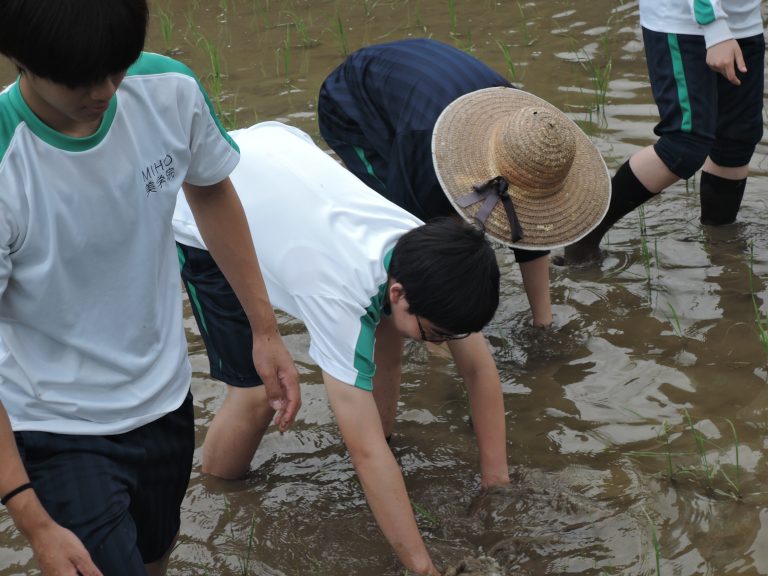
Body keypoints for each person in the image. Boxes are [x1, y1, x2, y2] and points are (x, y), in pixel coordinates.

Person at [173, 96, 609, 573]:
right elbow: (363, 453)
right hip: (206, 213)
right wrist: (423, 567)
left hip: (279, 155)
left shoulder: (425, 252)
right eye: (437, 334)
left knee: (389, 336)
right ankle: (222, 489)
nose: (442, 344)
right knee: (256, 394)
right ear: (399, 291)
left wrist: (495, 483)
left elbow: (480, 369)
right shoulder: (340, 301)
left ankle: (387, 432)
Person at [0, 2, 299, 575]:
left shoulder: (167, 88)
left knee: (156, 555)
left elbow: (209, 187)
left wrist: (265, 330)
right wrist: (32, 518)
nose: (106, 91)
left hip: (165, 400)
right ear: (20, 58)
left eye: (118, 68)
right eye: (82, 79)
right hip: (56, 423)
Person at [317, 38, 558, 328]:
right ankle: (421, 322)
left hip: (426, 89)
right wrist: (441, 326)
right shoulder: (423, 147)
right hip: (350, 105)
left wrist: (543, 323)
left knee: (463, 213)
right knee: (404, 224)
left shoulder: (528, 135)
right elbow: (417, 242)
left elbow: (528, 232)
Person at [562, 0, 764, 264]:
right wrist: (713, 24)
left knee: (738, 140)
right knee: (684, 145)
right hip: (684, 20)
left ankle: (719, 242)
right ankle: (583, 235)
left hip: (742, 19)